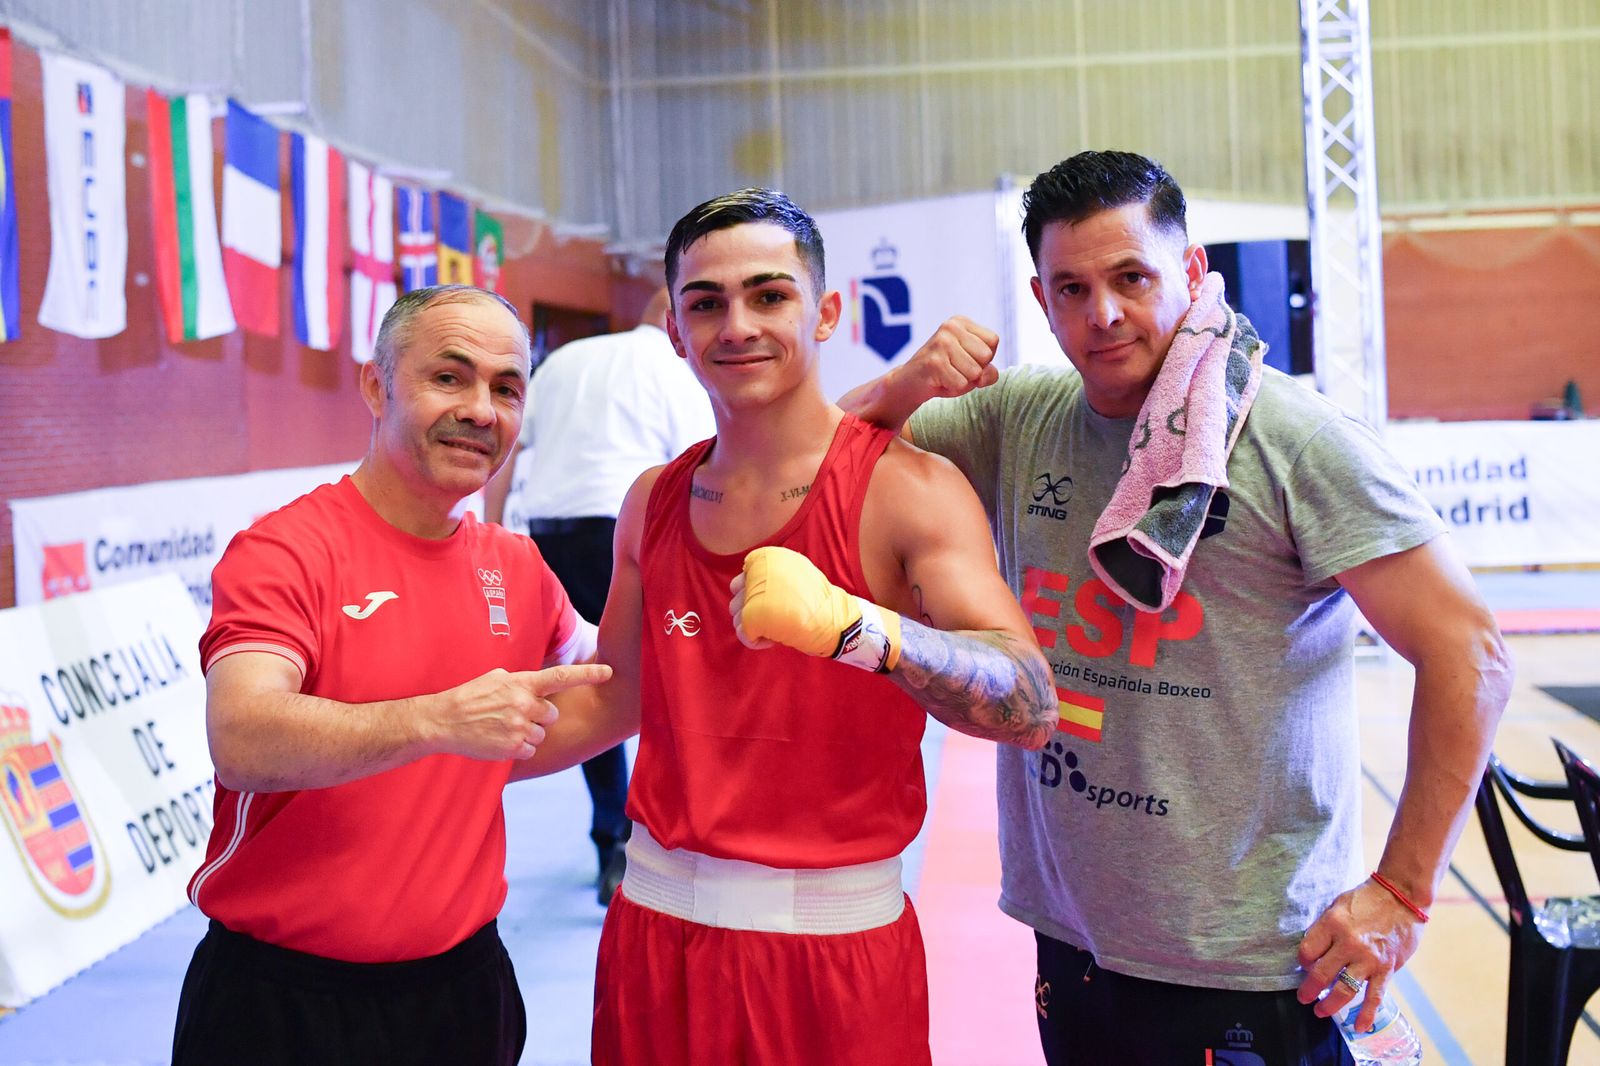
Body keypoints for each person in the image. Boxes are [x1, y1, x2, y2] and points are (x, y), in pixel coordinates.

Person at [842, 150, 1513, 1065]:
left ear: (1192, 274)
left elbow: (1470, 651)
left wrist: (1401, 893)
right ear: (1041, 302)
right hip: (1073, 940)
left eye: (1132, 277)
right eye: (1071, 287)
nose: (1103, 313)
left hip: (1252, 965)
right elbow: (824, 468)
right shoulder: (1017, 419)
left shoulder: (1291, 440)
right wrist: (902, 385)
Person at [518, 188, 1057, 1065]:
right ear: (676, 335)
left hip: (830, 956)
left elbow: (1029, 702)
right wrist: (416, 742)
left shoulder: (906, 488)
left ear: (826, 312)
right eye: (706, 303)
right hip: (653, 943)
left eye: (769, 295)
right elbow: (614, 703)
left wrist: (860, 629)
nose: (737, 325)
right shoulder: (650, 501)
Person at [172, 285, 611, 1066]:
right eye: (449, 377)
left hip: (462, 992)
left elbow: (593, 693)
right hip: (281, 1003)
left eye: (506, 388)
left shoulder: (518, 566)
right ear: (376, 386)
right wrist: (438, 720)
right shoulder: (287, 551)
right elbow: (241, 736)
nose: (482, 409)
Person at [498, 286, 714, 905]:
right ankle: (672, 828)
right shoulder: (670, 367)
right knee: (668, 677)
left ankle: (610, 840)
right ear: (673, 325)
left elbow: (515, 453)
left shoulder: (566, 359)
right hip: (628, 528)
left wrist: (491, 525)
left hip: (551, 529)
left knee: (590, 682)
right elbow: (698, 463)